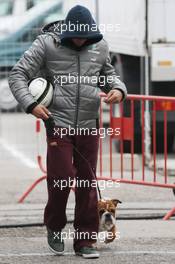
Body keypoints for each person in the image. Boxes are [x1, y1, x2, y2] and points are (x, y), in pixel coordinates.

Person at [9, 5, 127, 259]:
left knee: (87, 183)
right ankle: (54, 226)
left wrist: (118, 89)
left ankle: (85, 240)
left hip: (89, 126)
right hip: (57, 124)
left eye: (86, 37)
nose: (82, 40)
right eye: (77, 36)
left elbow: (108, 75)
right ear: (67, 30)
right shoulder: (46, 44)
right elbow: (18, 74)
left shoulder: (100, 46)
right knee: (60, 180)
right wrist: (31, 104)